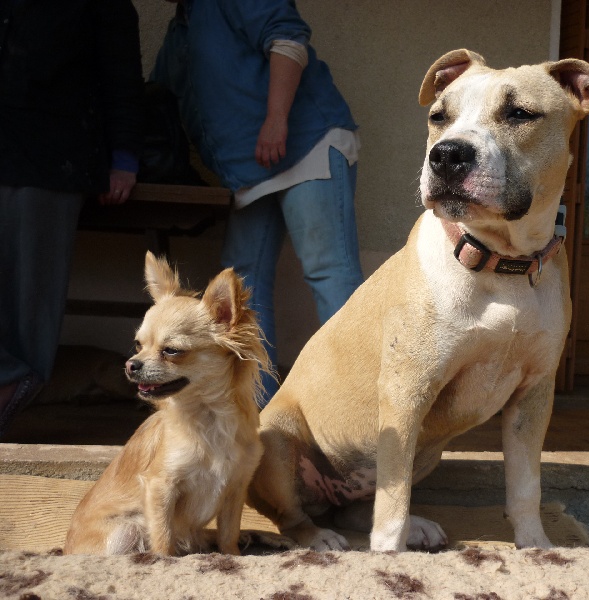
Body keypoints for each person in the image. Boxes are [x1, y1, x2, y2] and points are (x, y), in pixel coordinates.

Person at [151, 0, 364, 408]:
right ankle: (259, 408)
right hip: (250, 172)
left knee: (328, 270)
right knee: (241, 285)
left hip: (304, 144)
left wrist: (275, 119)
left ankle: (358, 408)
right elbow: (160, 97)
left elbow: (289, 41)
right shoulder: (181, 29)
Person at [0, 0, 144, 438]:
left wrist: (124, 158)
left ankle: (9, 387)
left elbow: (121, 76)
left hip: (50, 161)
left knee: (28, 300)